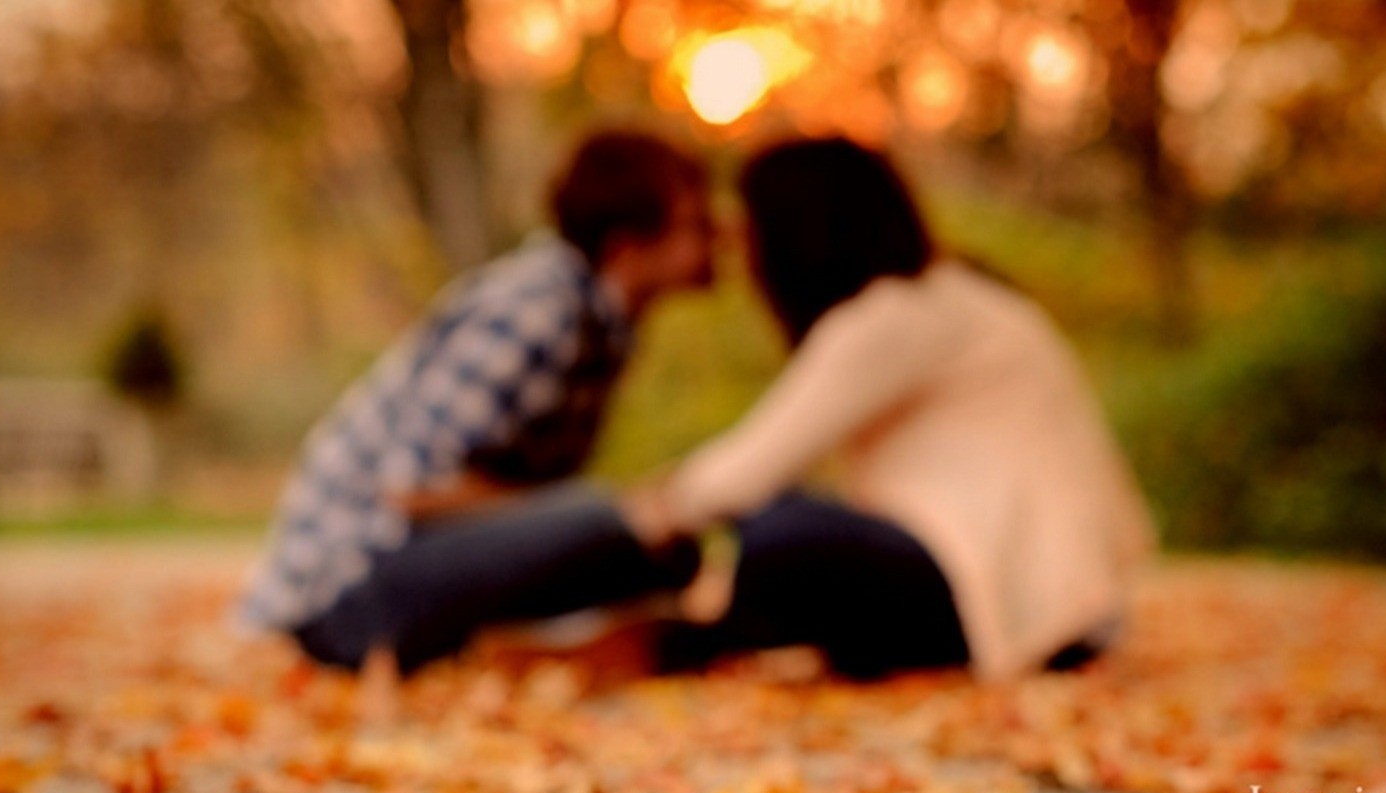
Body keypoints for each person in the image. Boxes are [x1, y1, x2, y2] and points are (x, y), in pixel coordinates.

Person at [626, 136, 1156, 681]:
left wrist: (642, 516)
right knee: (783, 530)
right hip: (1059, 601)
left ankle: (692, 635)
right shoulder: (946, 296)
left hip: (1011, 602)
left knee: (779, 536)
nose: (747, 263)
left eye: (751, 236)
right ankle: (732, 629)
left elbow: (744, 475)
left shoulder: (893, 313)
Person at [238, 129, 715, 674]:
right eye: (696, 226)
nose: (716, 242)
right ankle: (538, 648)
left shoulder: (607, 325)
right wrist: (595, 508)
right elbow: (411, 490)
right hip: (348, 594)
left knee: (669, 547)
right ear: (626, 245)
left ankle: (536, 650)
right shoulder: (539, 310)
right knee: (618, 522)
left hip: (406, 571)